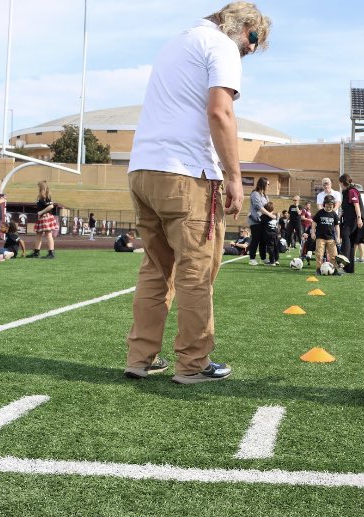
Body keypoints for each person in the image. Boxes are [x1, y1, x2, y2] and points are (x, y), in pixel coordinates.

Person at [123, 3, 271, 384]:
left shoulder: (177, 43)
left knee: (156, 271)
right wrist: (235, 177)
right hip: (186, 173)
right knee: (196, 271)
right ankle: (193, 363)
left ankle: (140, 358)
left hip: (142, 169)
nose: (249, 51)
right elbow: (220, 112)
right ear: (244, 26)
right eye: (252, 42)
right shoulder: (221, 45)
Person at [310, 194, 342, 275]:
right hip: (320, 237)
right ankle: (318, 269)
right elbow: (314, 222)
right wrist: (313, 232)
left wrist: (338, 237)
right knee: (319, 254)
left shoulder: (334, 214)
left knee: (334, 255)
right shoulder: (320, 213)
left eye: (331, 206)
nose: (329, 208)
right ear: (324, 204)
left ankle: (334, 270)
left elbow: (337, 226)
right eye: (327, 206)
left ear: (333, 205)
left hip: (331, 238)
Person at [247, 176, 275, 265]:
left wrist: (271, 213)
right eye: (268, 184)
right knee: (256, 239)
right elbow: (259, 207)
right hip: (255, 221)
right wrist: (269, 214)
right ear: (263, 184)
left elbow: (268, 207)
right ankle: (252, 259)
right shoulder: (255, 194)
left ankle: (263, 258)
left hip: (263, 221)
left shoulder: (265, 196)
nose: (269, 186)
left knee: (263, 240)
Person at [339, 173, 364, 273]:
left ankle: (343, 263)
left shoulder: (352, 191)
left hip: (352, 221)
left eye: (340, 183)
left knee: (345, 237)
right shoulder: (348, 191)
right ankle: (349, 269)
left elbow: (356, 205)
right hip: (350, 220)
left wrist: (359, 218)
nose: (340, 185)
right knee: (352, 243)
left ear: (342, 182)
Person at [26, 180, 57, 259]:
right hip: (42, 217)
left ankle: (51, 253)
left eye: (39, 187)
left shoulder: (46, 196)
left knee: (48, 234)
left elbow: (51, 206)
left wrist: (41, 212)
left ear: (42, 187)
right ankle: (36, 252)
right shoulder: (41, 196)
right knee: (39, 234)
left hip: (46, 216)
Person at [261, 201, 280, 265]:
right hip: (275, 234)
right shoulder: (274, 216)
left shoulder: (264, 217)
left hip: (269, 235)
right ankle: (276, 260)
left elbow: (259, 221)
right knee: (276, 247)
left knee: (270, 248)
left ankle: (272, 261)